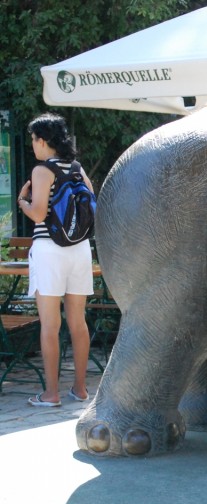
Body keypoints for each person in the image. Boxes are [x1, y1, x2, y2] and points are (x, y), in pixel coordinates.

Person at [19, 113, 95, 407]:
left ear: (42, 140)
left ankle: (51, 394)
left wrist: (23, 202)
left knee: (49, 324)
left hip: (49, 249)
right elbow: (90, 200)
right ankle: (80, 389)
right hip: (79, 249)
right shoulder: (77, 168)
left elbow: (38, 214)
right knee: (78, 322)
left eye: (33, 140)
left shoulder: (42, 170)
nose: (33, 146)